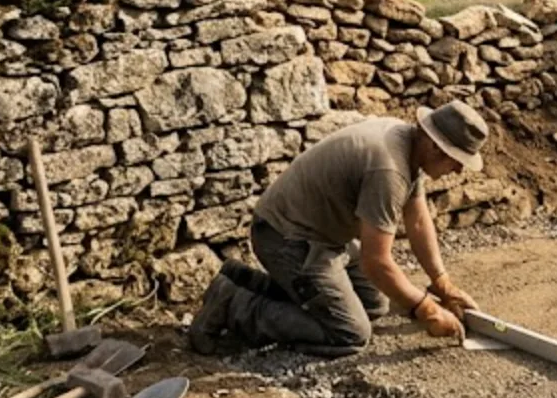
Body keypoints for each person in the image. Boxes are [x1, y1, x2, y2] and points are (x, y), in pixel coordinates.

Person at [186, 101, 489, 357]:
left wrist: (443, 285)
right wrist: (428, 310)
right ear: (436, 147)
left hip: (321, 236)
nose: (459, 170)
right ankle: (234, 304)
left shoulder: (408, 144)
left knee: (374, 304)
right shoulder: (388, 169)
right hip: (286, 238)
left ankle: (245, 281)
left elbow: (419, 221)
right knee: (349, 333)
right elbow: (377, 262)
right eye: (458, 161)